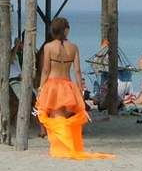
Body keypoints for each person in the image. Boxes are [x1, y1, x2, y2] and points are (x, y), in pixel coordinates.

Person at [36, 17, 114, 159]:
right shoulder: (73, 47)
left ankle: (62, 147)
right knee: (63, 116)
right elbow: (77, 71)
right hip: (67, 84)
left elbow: (46, 70)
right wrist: (80, 89)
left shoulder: (48, 47)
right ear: (66, 30)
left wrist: (41, 87)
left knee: (55, 116)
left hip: (52, 84)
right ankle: (63, 146)